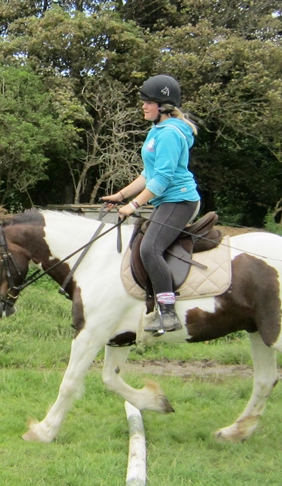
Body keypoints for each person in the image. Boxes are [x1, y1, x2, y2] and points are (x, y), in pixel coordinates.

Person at [102, 74, 201, 335]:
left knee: (150, 249)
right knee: (142, 243)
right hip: (168, 200)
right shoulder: (157, 131)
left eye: (148, 102)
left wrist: (133, 205)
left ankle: (168, 313)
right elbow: (148, 174)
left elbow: (163, 179)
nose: (143, 106)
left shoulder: (169, 134)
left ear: (163, 106)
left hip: (180, 200)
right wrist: (120, 196)